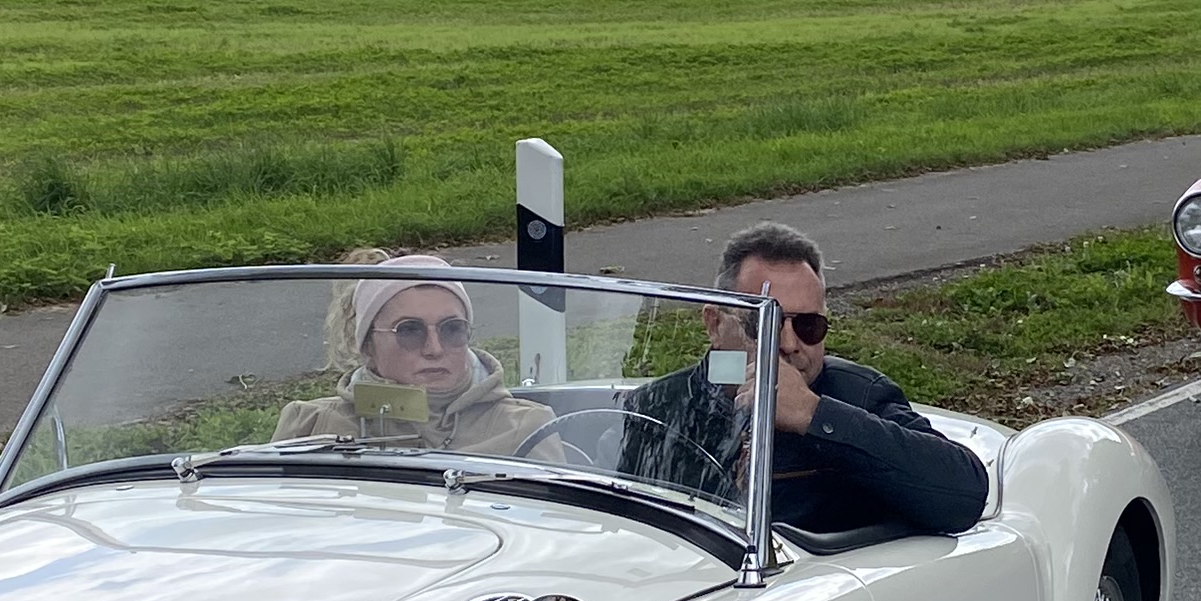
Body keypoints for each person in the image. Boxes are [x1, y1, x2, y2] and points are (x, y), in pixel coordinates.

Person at [615, 224, 989, 536]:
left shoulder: (858, 395)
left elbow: (963, 494)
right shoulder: (658, 407)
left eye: (809, 325)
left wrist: (816, 416)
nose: (790, 344)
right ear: (715, 324)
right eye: (763, 323)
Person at [270, 255, 567, 456]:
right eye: (410, 330)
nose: (434, 349)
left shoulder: (526, 427)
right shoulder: (310, 425)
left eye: (452, 329)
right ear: (367, 346)